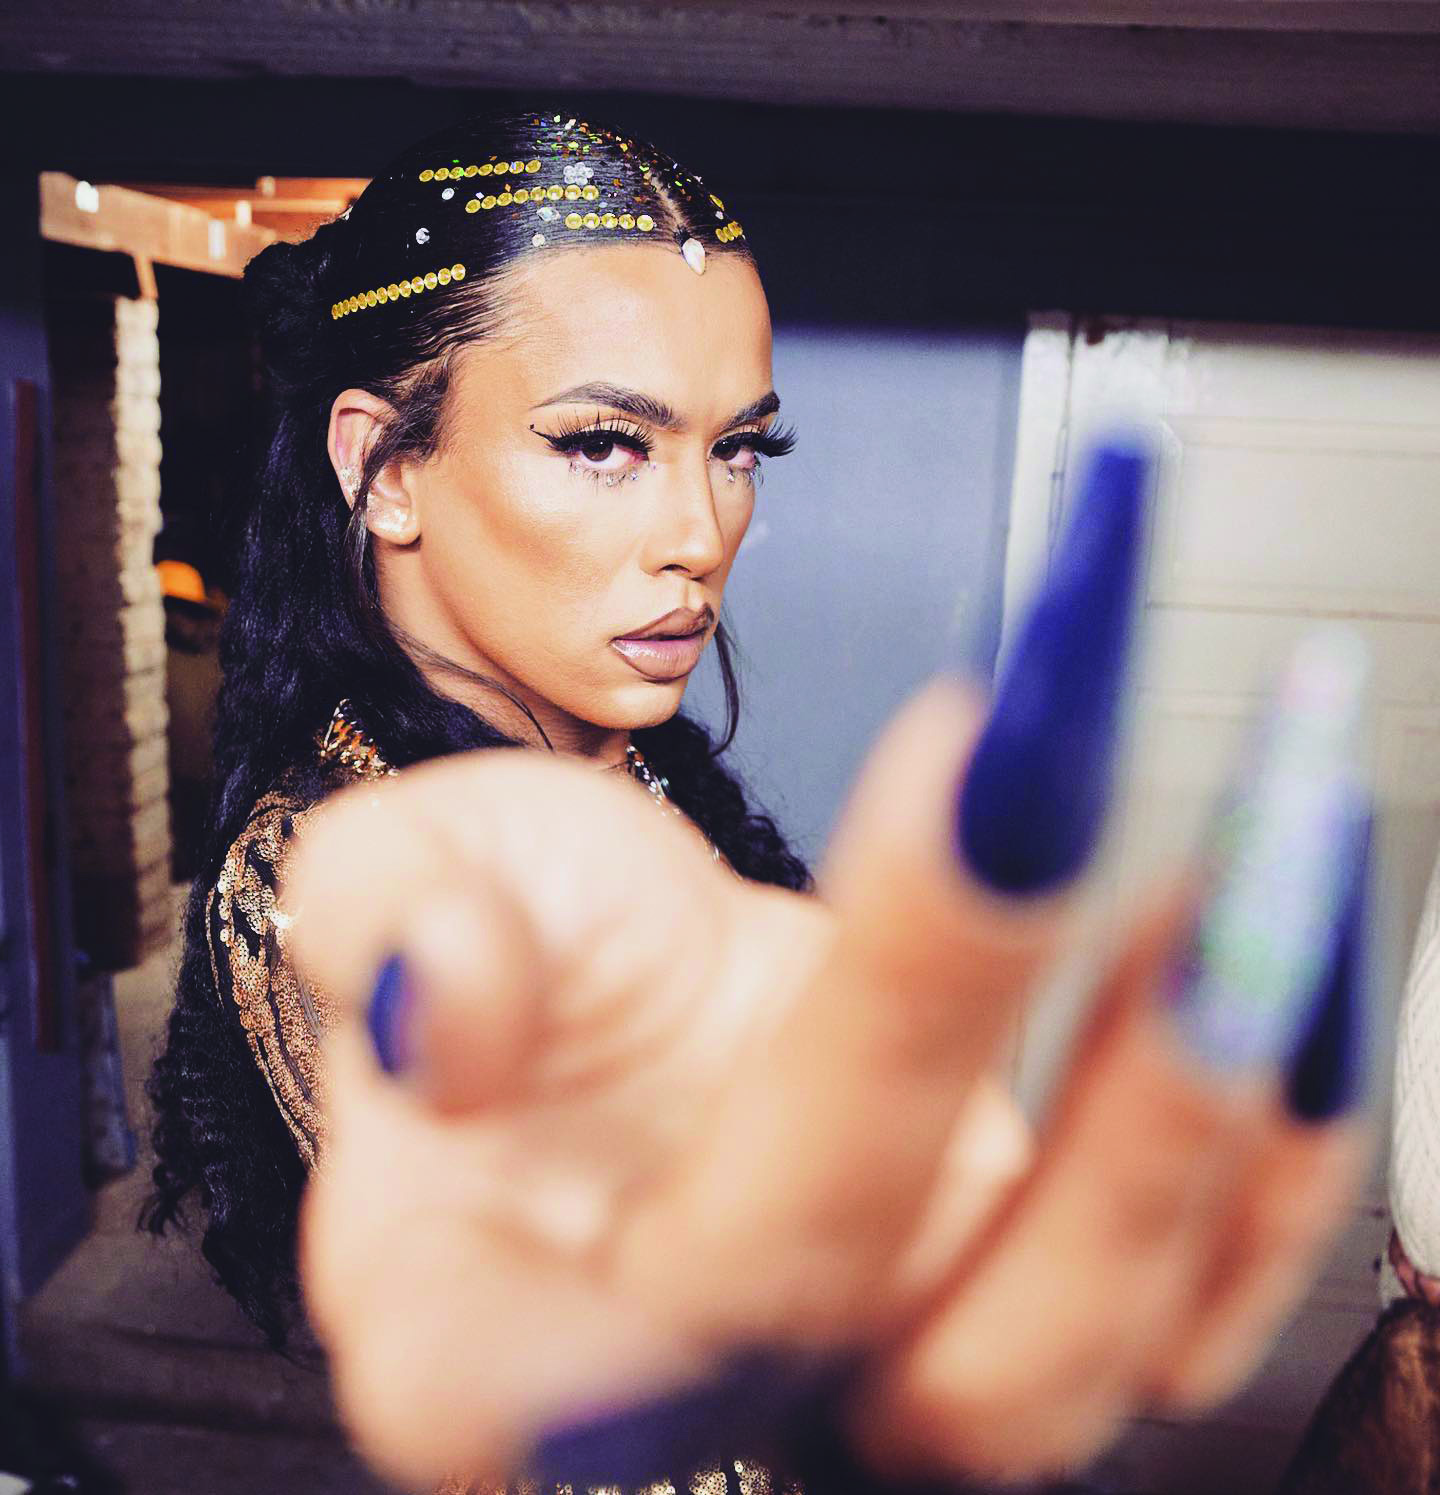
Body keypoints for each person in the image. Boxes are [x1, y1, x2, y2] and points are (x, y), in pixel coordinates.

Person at [145, 108, 1373, 1495]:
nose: (701, 536)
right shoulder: (326, 874)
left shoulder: (642, 764)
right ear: (385, 466)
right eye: (604, 442)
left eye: (740, 450)